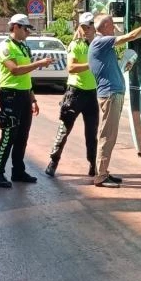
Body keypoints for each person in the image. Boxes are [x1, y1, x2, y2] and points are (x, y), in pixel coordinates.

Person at [88, 12, 141, 188]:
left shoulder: (102, 46)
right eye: (111, 24)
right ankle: (101, 176)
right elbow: (130, 36)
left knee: (109, 135)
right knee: (107, 136)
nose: (114, 27)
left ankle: (103, 172)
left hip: (112, 93)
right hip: (110, 94)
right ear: (103, 27)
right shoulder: (101, 41)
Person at [0, 14, 54, 188]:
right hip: (10, 95)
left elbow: (25, 76)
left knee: (22, 136)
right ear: (16, 27)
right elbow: (15, 70)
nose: (28, 32)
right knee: (9, 135)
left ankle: (18, 170)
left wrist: (32, 98)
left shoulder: (24, 47)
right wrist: (39, 63)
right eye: (26, 29)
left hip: (24, 95)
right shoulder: (5, 47)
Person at [45, 12, 99, 178]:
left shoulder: (98, 44)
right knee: (64, 129)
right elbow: (71, 67)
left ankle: (93, 164)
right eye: (83, 27)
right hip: (75, 92)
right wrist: (90, 64)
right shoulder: (76, 45)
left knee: (92, 133)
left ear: (94, 27)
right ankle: (53, 161)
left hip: (92, 93)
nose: (86, 29)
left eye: (89, 26)